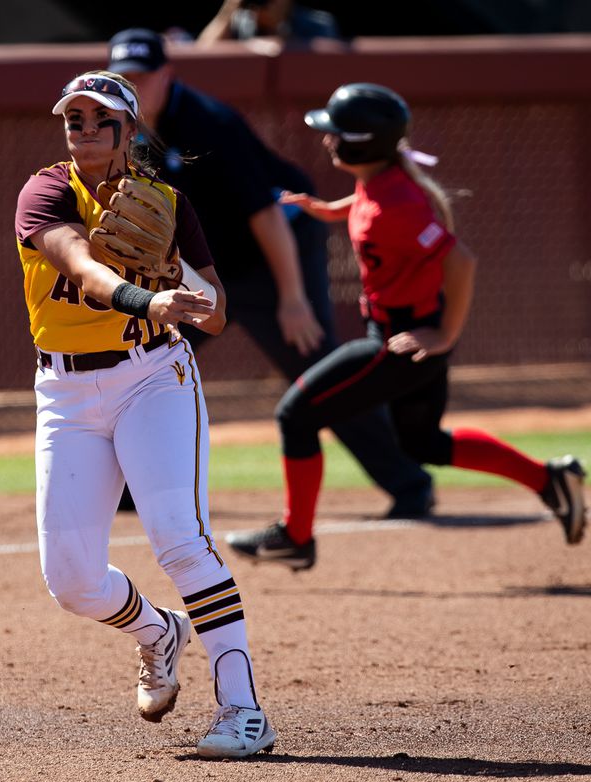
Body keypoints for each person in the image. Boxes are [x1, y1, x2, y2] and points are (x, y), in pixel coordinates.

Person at [14, 69, 276, 758]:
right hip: (66, 395)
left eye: (102, 120)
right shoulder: (45, 192)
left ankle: (244, 711)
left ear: (130, 131)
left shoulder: (165, 201)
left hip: (151, 379)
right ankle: (159, 632)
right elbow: (79, 265)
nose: (86, 129)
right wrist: (144, 296)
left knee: (180, 539)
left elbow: (216, 315)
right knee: (70, 581)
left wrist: (177, 278)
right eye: (75, 118)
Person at [225, 83, 588, 570]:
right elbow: (367, 204)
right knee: (423, 443)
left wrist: (444, 336)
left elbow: (461, 261)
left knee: (297, 415)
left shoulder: (396, 203)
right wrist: (327, 209)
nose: (328, 140)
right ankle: (549, 480)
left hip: (404, 338)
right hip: (407, 331)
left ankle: (296, 536)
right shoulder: (379, 179)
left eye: (336, 133)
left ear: (363, 143)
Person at [106, 28, 435, 518]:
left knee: (314, 367)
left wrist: (293, 299)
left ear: (167, 74)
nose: (135, 84)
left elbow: (265, 213)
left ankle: (410, 483)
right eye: (124, 75)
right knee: (147, 360)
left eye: (144, 75)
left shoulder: (208, 122)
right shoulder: (124, 131)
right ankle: (130, 487)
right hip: (208, 268)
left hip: (274, 255)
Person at [197, 0, 344, 48]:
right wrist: (229, 9)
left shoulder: (319, 24)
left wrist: (279, 29)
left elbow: (327, 71)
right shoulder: (240, 23)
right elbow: (203, 56)